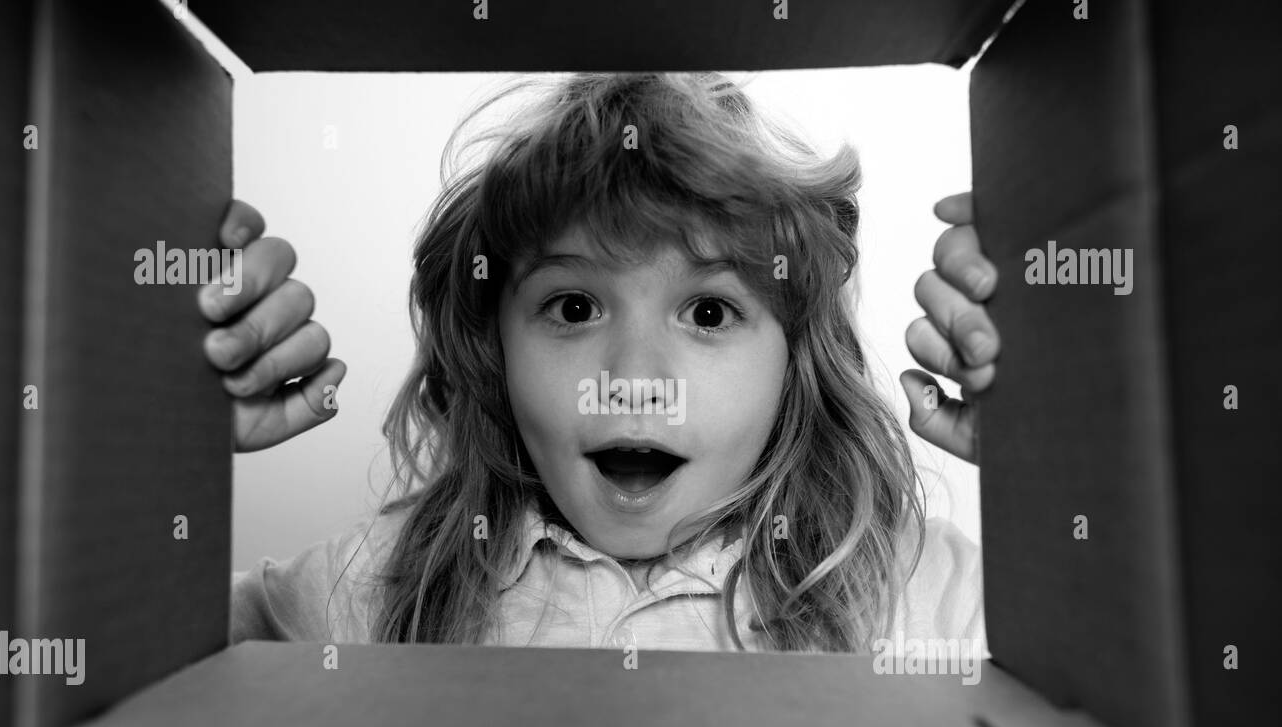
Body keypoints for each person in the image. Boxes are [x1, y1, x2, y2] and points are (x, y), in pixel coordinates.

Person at [200, 73, 1001, 653]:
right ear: (494, 350)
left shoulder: (916, 595)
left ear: (793, 363)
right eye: (574, 307)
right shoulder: (371, 590)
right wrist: (157, 431)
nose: (633, 377)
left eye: (710, 312)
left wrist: (1071, 457)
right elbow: (107, 681)